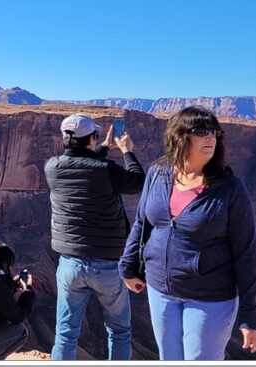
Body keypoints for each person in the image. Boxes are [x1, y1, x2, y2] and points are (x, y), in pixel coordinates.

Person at [119, 107, 256, 360]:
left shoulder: (230, 189)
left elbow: (245, 253)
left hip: (210, 298)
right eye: (202, 131)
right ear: (179, 136)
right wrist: (127, 266)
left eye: (215, 132)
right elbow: (142, 223)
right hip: (160, 290)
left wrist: (250, 316)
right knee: (169, 358)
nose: (211, 138)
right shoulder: (157, 173)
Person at [44, 113, 146, 360]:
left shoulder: (52, 167)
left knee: (66, 333)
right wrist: (127, 151)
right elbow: (137, 183)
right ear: (91, 137)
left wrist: (100, 147)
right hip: (108, 266)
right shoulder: (107, 170)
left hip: (69, 264)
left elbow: (83, 165)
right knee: (119, 331)